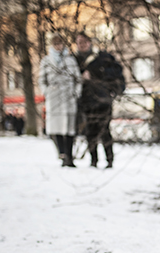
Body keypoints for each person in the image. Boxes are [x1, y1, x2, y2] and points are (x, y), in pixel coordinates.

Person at [74, 33, 125, 169]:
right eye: (79, 42)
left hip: (103, 100)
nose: (82, 45)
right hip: (86, 101)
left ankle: (109, 160)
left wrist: (113, 91)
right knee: (90, 131)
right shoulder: (75, 60)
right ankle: (94, 160)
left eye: (84, 41)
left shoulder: (102, 57)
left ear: (90, 42)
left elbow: (116, 74)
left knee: (104, 130)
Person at [40, 34, 81, 167]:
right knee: (56, 129)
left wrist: (75, 93)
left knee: (69, 130)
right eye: (55, 43)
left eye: (60, 43)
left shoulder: (70, 60)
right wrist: (47, 92)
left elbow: (78, 79)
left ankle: (69, 157)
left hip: (68, 98)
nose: (58, 46)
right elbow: (41, 80)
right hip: (54, 98)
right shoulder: (46, 61)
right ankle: (62, 155)